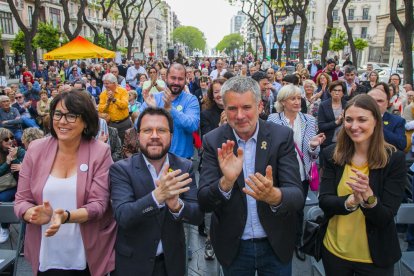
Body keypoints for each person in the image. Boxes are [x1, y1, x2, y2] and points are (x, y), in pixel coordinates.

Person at [198, 76, 304, 275]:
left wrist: (275, 197)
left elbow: (297, 196)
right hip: (233, 246)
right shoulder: (213, 141)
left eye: (246, 107)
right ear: (224, 109)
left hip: (275, 244)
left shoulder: (281, 137)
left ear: (260, 106)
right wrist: (225, 183)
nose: (239, 115)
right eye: (232, 108)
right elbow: (204, 201)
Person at [14, 91, 116, 275]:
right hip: (46, 251)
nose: (62, 121)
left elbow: (99, 205)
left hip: (85, 253)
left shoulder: (100, 152)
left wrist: (65, 217)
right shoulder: (36, 149)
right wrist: (33, 213)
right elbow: (21, 200)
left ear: (85, 121)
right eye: (58, 114)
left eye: (71, 116)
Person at [110, 107, 203, 276]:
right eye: (147, 130)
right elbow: (123, 216)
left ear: (171, 136)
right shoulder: (121, 170)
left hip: (171, 265)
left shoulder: (184, 167)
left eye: (161, 130)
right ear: (138, 136)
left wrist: (177, 206)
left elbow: (197, 215)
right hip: (133, 265)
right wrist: (157, 197)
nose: (154, 136)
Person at [319, 94, 406, 276]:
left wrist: (368, 198)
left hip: (375, 257)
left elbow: (386, 216)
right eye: (349, 120)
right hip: (335, 252)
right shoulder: (331, 155)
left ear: (376, 121)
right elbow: (325, 201)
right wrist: (350, 202)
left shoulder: (394, 159)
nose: (354, 126)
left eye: (362, 120)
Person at [268, 85, 325, 260]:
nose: (297, 101)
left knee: (298, 210)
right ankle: (277, 240)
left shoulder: (309, 120)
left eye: (299, 98)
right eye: (292, 98)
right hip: (280, 172)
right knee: (278, 207)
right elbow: (270, 148)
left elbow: (312, 154)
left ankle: (297, 242)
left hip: (302, 172)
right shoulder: (273, 119)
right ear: (283, 102)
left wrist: (314, 146)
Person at [140, 63, 200, 159]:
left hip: (182, 159)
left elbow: (193, 125)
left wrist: (170, 109)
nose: (176, 82)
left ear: (185, 80)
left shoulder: (191, 100)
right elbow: (137, 125)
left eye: (180, 79)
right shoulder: (154, 98)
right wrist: (153, 111)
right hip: (155, 159)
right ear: (166, 78)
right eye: (173, 78)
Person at [0, 128, 25, 243]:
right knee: (3, 199)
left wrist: (14, 159)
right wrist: (7, 163)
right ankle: (4, 226)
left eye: (12, 137)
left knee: (5, 199)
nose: (10, 141)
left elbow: (24, 170)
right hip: (5, 185)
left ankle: (9, 229)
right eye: (6, 139)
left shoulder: (19, 151)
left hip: (21, 184)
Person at [98, 73, 131, 144]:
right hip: (111, 124)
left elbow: (124, 105)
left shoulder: (123, 91)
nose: (105, 85)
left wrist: (114, 99)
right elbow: (100, 109)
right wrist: (107, 103)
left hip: (124, 123)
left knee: (125, 144)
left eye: (107, 83)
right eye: (104, 83)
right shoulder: (103, 94)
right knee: (113, 144)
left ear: (114, 83)